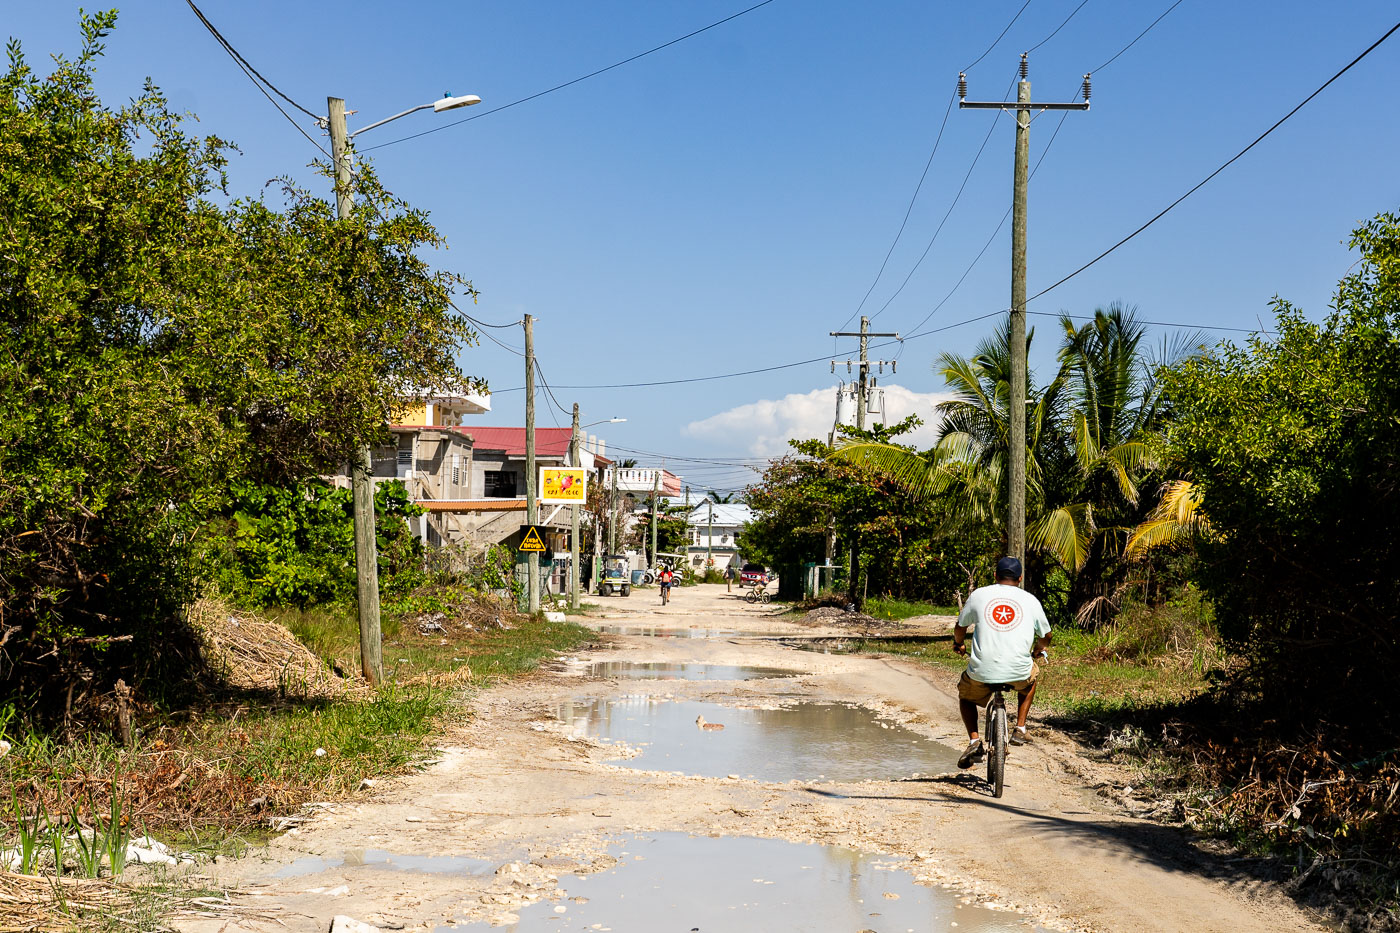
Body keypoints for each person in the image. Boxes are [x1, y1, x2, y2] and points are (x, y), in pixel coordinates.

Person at [952, 556, 1052, 769]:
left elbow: (960, 627)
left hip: (981, 671)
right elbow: (1047, 635)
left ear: (995, 576)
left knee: (966, 696)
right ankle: (1021, 728)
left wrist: (959, 644)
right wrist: (1039, 648)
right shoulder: (1030, 600)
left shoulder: (979, 595)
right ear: (1020, 578)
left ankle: (973, 740)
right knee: (1031, 680)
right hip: (1018, 672)